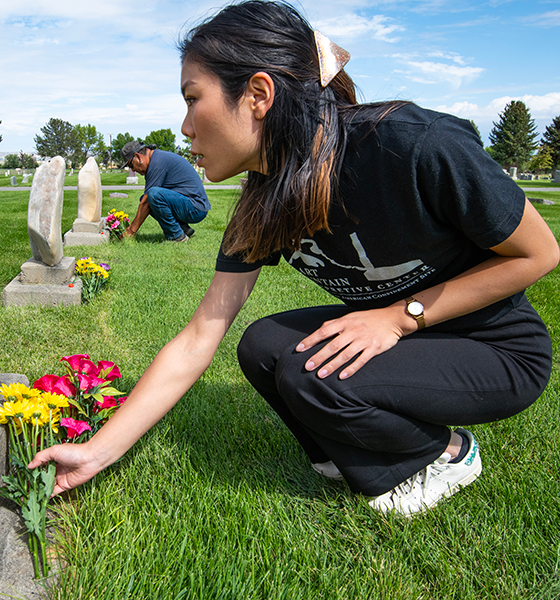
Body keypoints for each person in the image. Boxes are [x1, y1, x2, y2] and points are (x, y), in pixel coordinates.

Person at [30, 1, 558, 516]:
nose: (186, 126)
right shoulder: (264, 200)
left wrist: (399, 318)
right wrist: (97, 451)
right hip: (401, 335)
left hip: (491, 344)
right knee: (262, 346)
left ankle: (443, 454)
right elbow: (198, 338)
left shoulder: (413, 145)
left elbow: (539, 253)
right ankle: (345, 450)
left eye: (193, 98)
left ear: (258, 93)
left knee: (312, 375)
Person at [119, 140, 211, 242]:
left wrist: (130, 231)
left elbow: (146, 203)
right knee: (148, 197)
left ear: (138, 157)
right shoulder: (156, 158)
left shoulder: (156, 163)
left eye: (131, 165)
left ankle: (176, 236)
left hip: (196, 208)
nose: (133, 170)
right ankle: (182, 229)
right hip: (192, 205)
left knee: (153, 195)